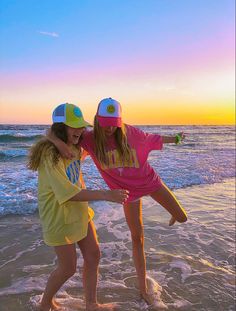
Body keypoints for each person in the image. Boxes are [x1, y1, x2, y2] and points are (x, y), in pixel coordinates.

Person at [48, 98, 187, 306]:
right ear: (97, 120)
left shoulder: (133, 135)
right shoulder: (90, 138)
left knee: (182, 217)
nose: (110, 128)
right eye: (105, 123)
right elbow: (51, 133)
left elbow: (155, 138)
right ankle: (143, 289)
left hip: (150, 183)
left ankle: (174, 215)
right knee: (137, 237)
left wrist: (175, 138)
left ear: (120, 121)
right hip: (128, 193)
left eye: (114, 123)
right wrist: (59, 143)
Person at [28, 102, 129, 311]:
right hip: (59, 215)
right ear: (60, 127)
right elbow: (68, 194)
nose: (79, 130)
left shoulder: (74, 147)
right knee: (68, 268)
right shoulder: (50, 155)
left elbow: (98, 141)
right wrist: (106, 194)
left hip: (80, 211)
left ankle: (91, 304)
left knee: (93, 255)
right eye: (73, 126)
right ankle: (45, 303)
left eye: (80, 125)